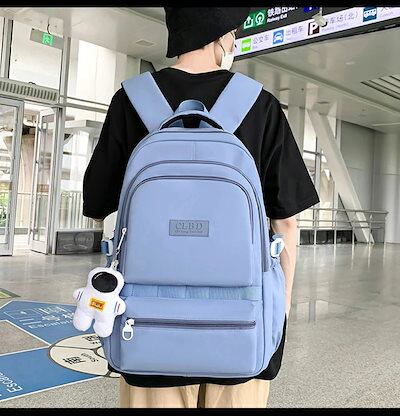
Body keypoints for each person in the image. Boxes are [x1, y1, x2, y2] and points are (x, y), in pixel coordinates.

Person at [82, 7, 320, 408]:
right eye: (234, 34)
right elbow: (286, 224)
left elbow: (97, 206)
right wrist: (280, 308)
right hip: (242, 324)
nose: (233, 41)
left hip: (147, 326)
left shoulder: (129, 101)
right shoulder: (260, 105)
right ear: (220, 36)